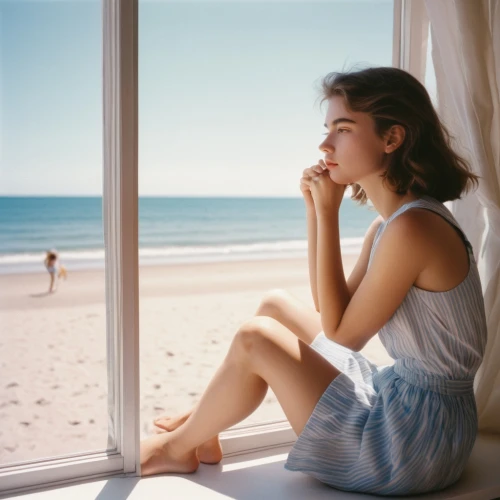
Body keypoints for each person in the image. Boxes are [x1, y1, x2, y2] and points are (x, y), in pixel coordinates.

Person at [139, 66, 487, 496]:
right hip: (420, 413)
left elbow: (342, 336)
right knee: (275, 306)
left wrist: (328, 213)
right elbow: (330, 311)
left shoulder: (412, 229)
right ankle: (203, 427)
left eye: (342, 129)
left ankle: (178, 447)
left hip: (412, 444)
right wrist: (313, 210)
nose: (325, 144)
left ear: (392, 139)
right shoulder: (392, 225)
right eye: (328, 129)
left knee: (256, 338)